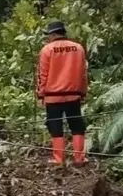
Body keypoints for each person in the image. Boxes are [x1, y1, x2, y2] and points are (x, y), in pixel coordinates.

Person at [37, 21, 89, 166]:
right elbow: (83, 73)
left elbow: (42, 75)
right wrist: (83, 92)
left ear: (53, 34)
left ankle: (58, 159)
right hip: (73, 94)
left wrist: (40, 95)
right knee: (77, 125)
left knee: (55, 126)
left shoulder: (47, 50)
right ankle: (79, 158)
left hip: (53, 96)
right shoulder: (78, 48)